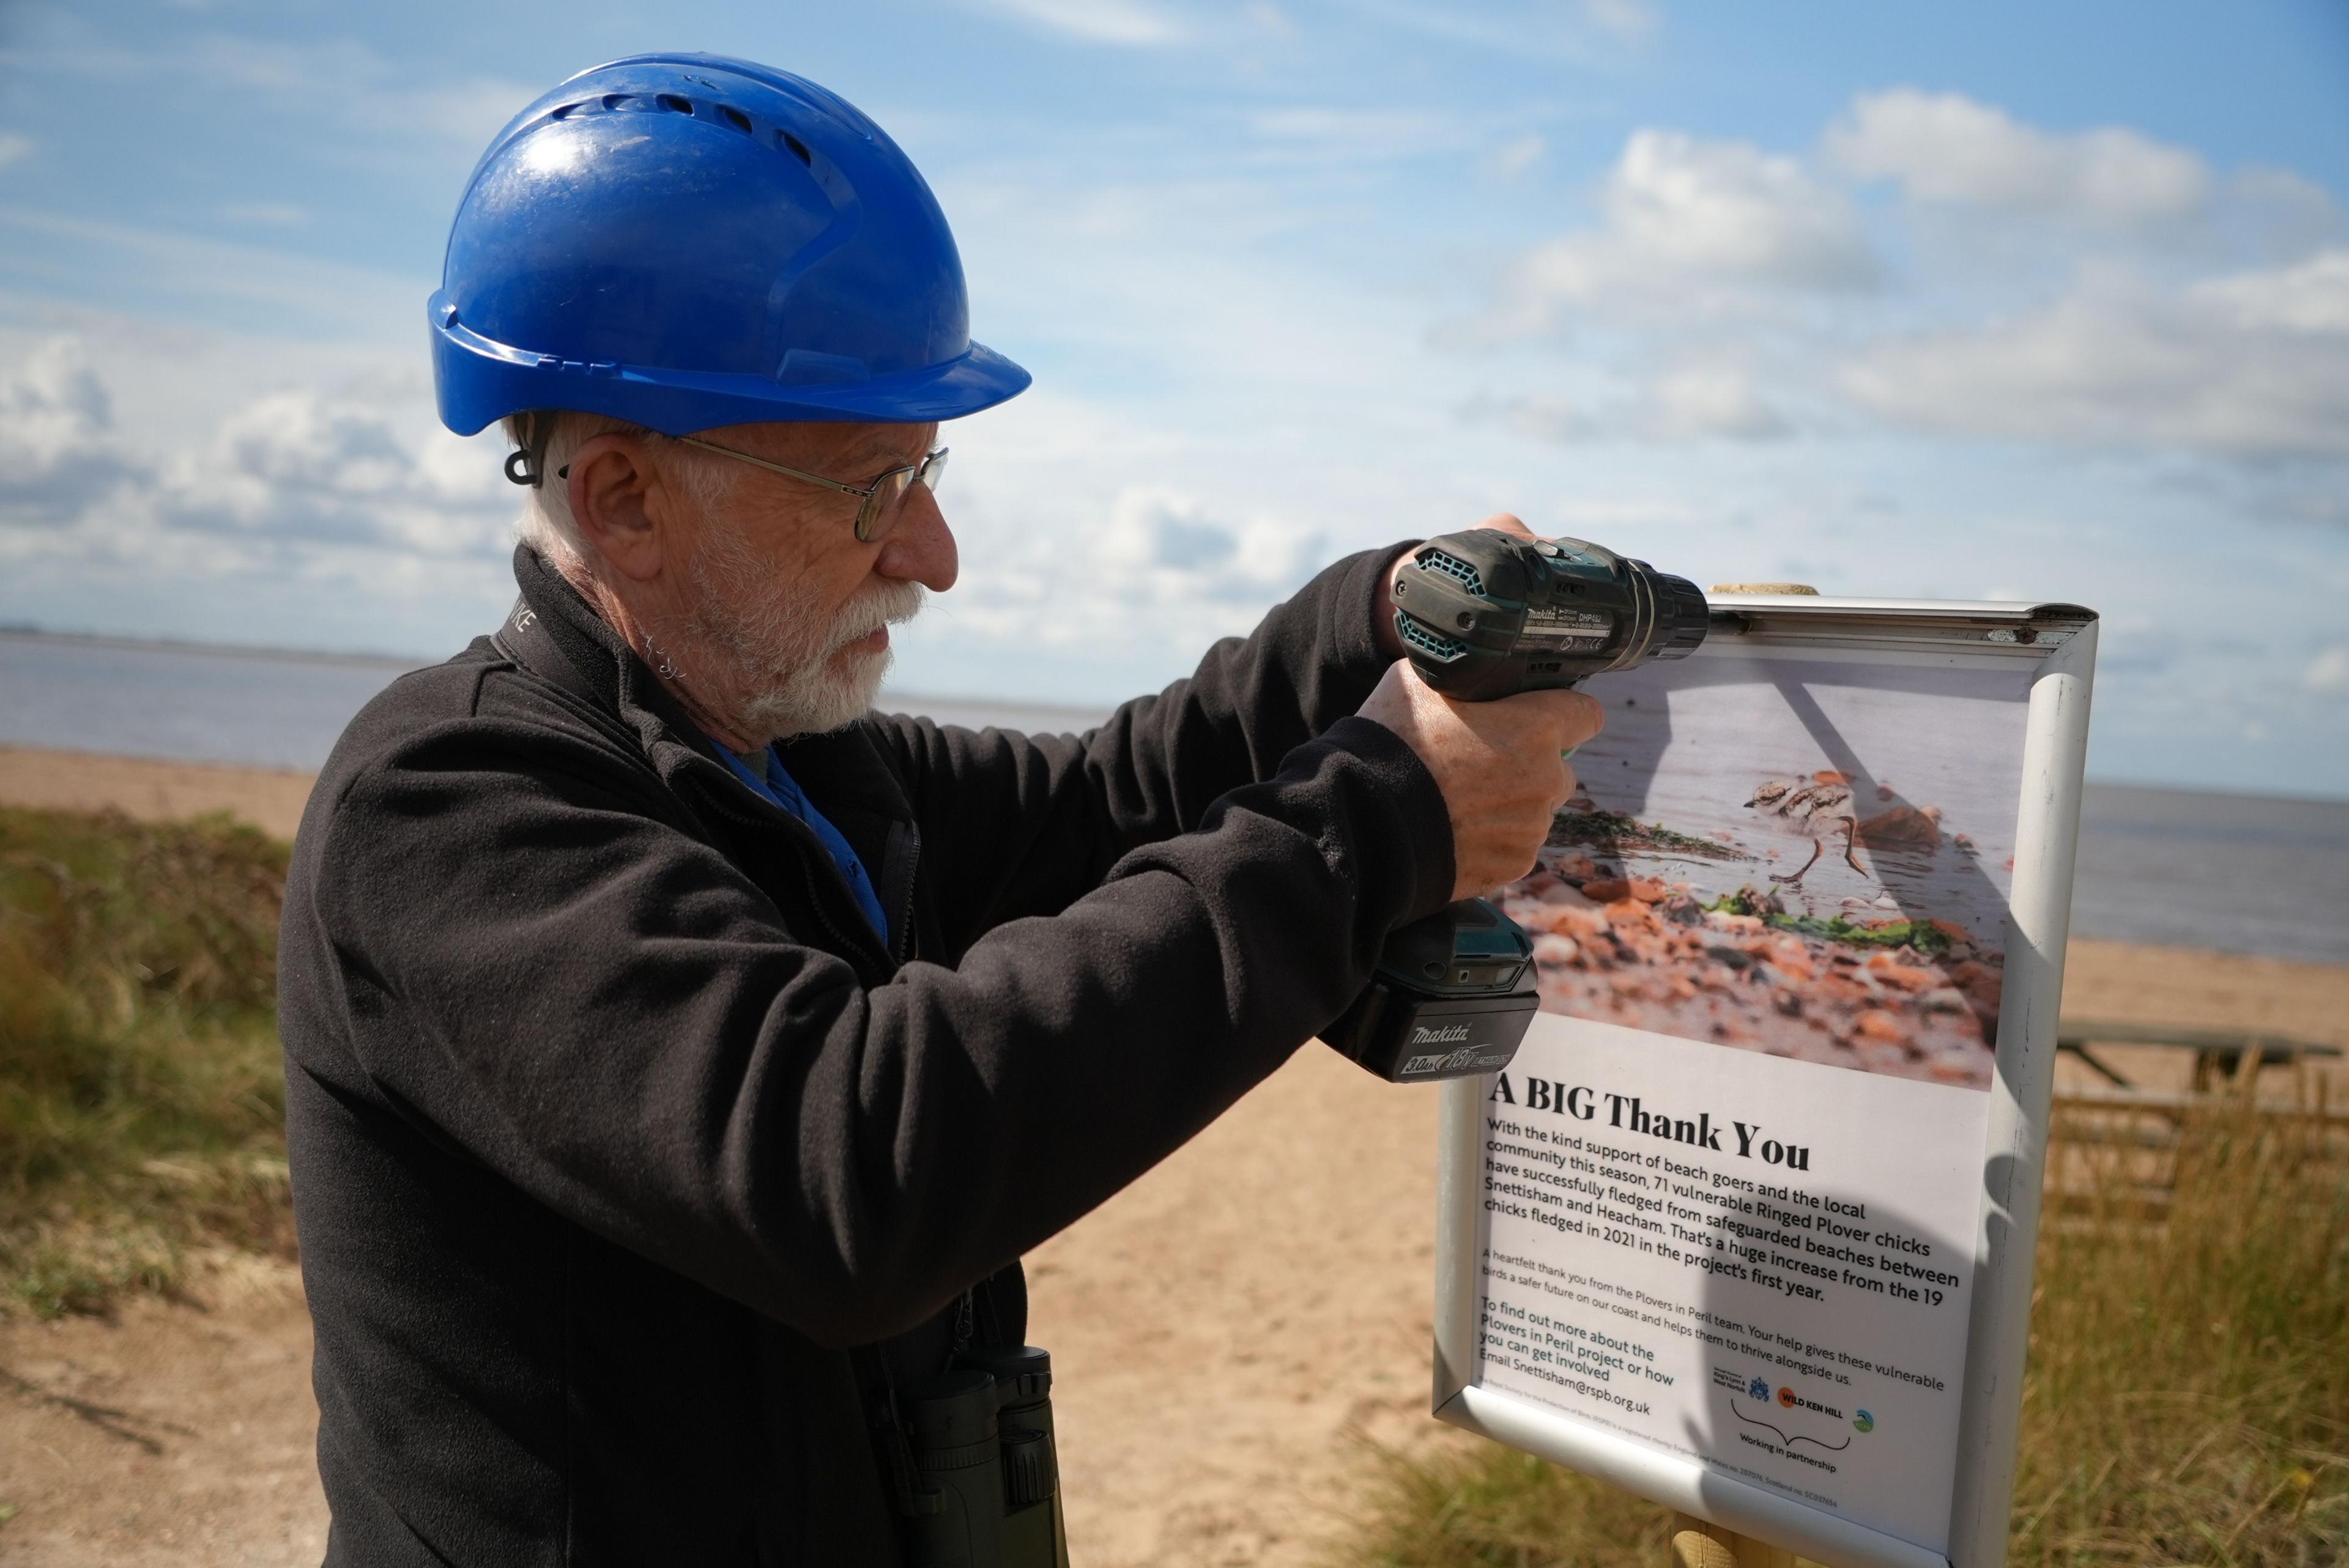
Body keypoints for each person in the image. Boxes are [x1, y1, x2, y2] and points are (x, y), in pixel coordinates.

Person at [277, 53, 1600, 1565]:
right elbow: (850, 1170)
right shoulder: (445, 804)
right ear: (627, 501)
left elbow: (1123, 794)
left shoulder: (797, 764)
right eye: (869, 485)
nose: (935, 550)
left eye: (928, 468)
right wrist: (1384, 816)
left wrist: (1374, 615)